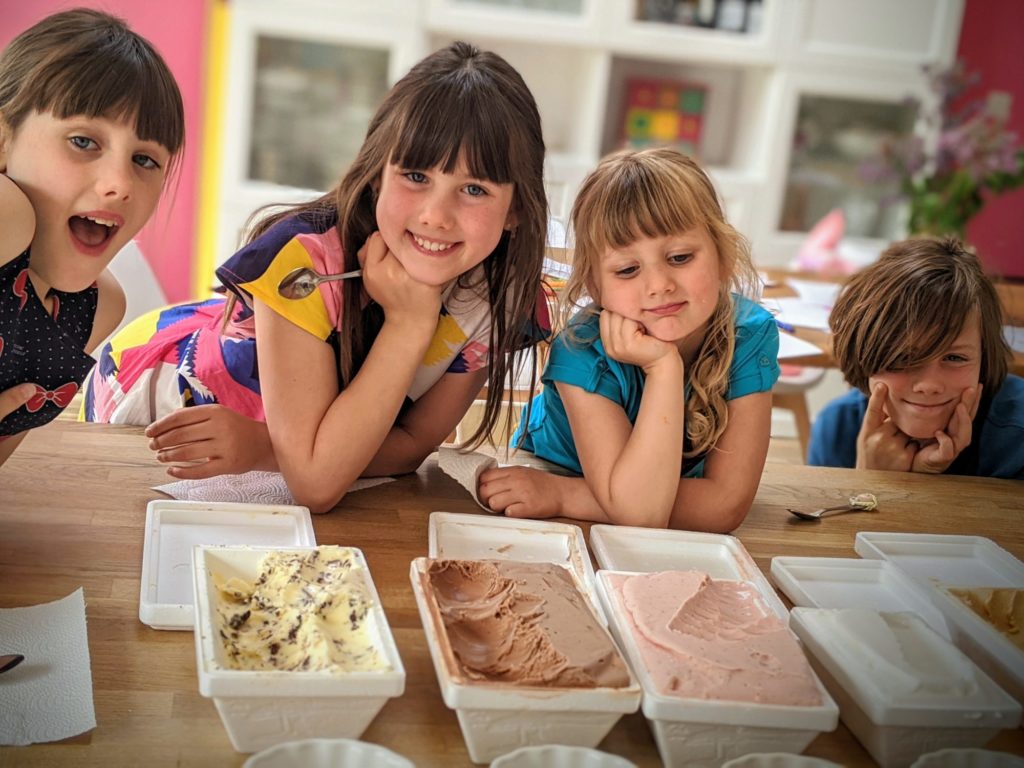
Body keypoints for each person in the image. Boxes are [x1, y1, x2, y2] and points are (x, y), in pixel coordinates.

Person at [85, 41, 549, 513]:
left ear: (515, 210)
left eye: (474, 189)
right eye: (415, 176)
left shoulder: (498, 297)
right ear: (376, 176)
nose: (436, 215)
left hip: (257, 442)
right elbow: (317, 484)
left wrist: (269, 449)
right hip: (163, 403)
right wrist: (409, 323)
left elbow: (409, 446)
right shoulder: (304, 261)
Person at [479, 147, 779, 531]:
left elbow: (722, 508)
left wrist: (564, 495)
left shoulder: (749, 334)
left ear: (722, 256)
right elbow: (643, 513)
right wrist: (664, 369)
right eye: (627, 269)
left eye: (680, 258)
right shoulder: (581, 349)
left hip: (559, 495)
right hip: (549, 478)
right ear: (595, 286)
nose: (659, 286)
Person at [0, 9, 185, 466]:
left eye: (144, 160)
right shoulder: (7, 215)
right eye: (83, 142)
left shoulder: (94, 308)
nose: (120, 183)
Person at [808, 237, 1023, 478]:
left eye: (954, 358)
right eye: (904, 358)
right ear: (863, 355)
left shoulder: (1017, 439)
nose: (929, 385)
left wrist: (924, 481)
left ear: (984, 358)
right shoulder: (836, 428)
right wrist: (868, 476)